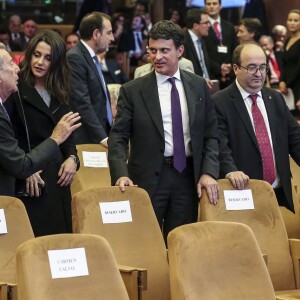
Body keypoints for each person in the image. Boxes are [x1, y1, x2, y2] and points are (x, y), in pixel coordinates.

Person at [108, 20, 219, 242]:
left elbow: (211, 134)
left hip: (186, 178)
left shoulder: (198, 86)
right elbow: (118, 137)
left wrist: (208, 172)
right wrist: (121, 174)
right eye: (153, 50)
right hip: (147, 179)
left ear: (180, 51)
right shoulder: (133, 90)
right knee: (144, 243)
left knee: (182, 244)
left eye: (164, 50)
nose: (157, 57)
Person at [5, 31, 80, 237]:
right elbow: (9, 140)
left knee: (60, 244)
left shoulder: (62, 90)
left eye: (48, 58)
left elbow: (68, 135)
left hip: (58, 178)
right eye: (36, 55)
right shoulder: (15, 88)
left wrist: (73, 159)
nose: (40, 62)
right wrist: (26, 169)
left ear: (57, 62)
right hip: (31, 177)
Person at [212, 42, 300, 212]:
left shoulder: (275, 98)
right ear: (236, 68)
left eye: (263, 67)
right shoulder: (220, 102)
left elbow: (295, 138)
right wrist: (231, 171)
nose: (259, 74)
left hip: (278, 191)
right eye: (252, 68)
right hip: (243, 191)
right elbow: (220, 146)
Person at [67, 12, 114, 145]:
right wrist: (103, 137)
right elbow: (82, 102)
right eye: (109, 33)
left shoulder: (91, 56)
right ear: (96, 34)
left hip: (99, 133)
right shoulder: (75, 57)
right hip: (87, 138)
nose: (112, 38)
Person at [203, 0, 236, 89]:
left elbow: (235, 48)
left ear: (220, 6)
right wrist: (219, 68)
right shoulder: (203, 27)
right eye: (208, 4)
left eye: (214, 3)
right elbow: (203, 53)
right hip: (211, 75)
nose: (211, 6)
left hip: (229, 75)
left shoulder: (229, 26)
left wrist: (229, 66)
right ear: (205, 7)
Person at [279, 9, 300, 113]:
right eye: (290, 20)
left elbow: (298, 67)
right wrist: (281, 81)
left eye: (296, 20)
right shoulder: (287, 41)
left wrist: (286, 83)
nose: (292, 23)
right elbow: (284, 64)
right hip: (287, 87)